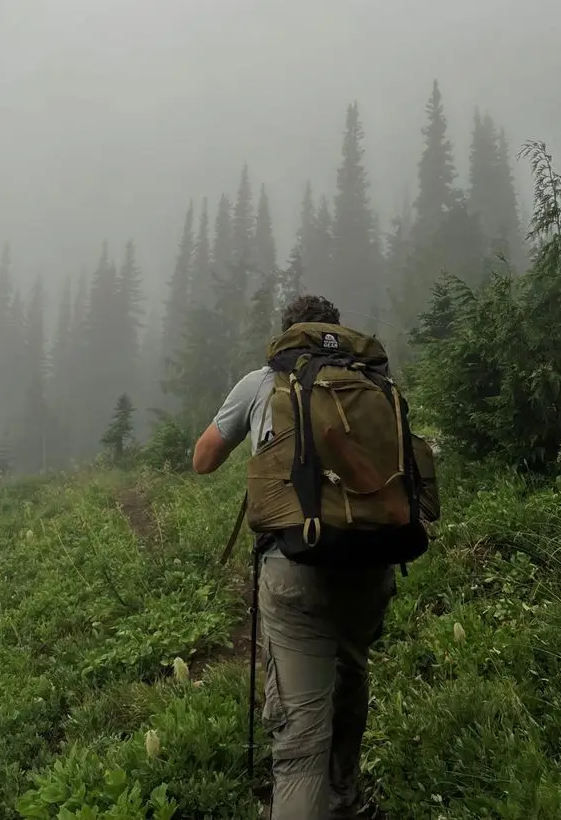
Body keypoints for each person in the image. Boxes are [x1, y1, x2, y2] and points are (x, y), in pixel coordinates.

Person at [193, 294, 396, 820]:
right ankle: (345, 799)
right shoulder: (374, 382)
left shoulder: (263, 381)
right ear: (335, 330)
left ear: (287, 334)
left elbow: (203, 459)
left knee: (301, 732)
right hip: (372, 559)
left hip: (294, 567)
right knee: (351, 676)